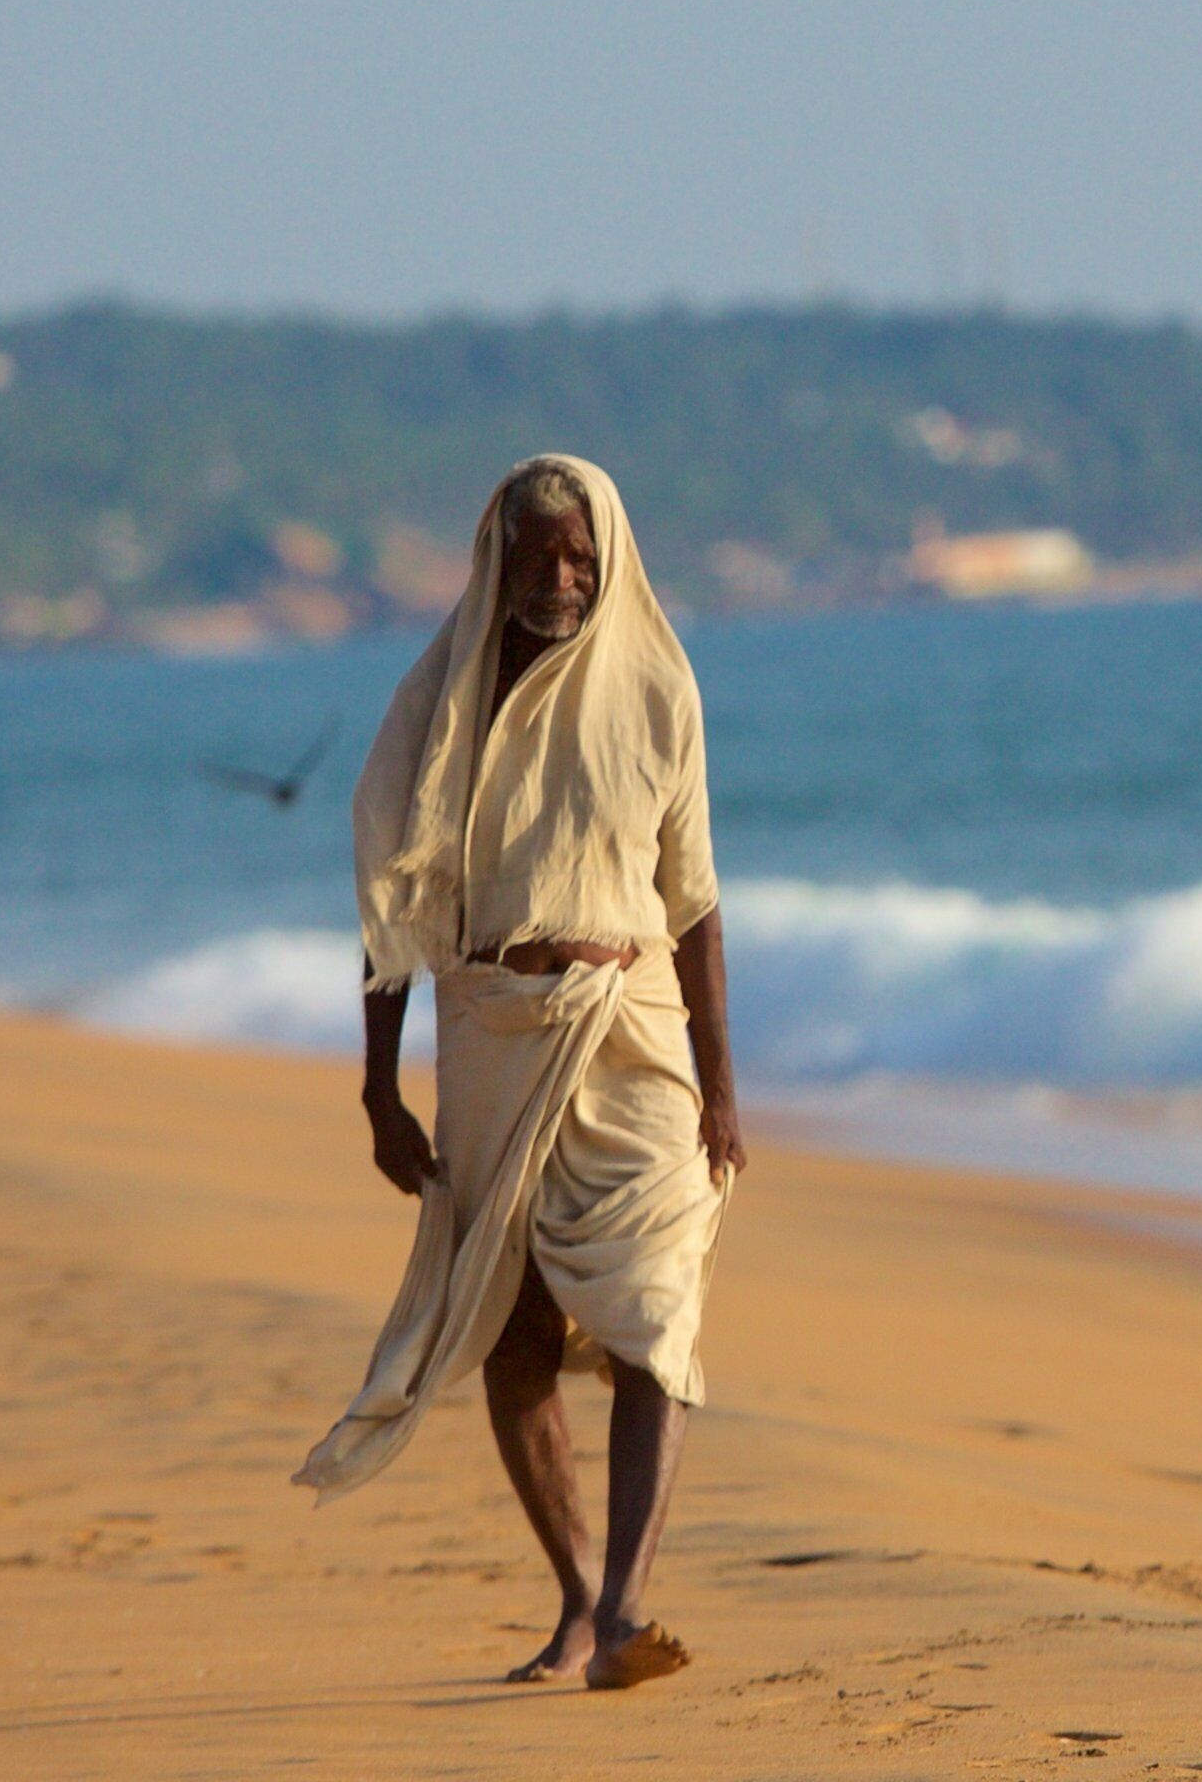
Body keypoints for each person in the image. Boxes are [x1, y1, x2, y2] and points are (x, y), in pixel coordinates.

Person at [294, 454, 747, 1692]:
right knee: (515, 1331)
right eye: (537, 553)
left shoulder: (657, 683)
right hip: (492, 1031)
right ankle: (577, 1600)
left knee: (657, 1312)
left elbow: (695, 902)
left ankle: (628, 1611)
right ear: (495, 558)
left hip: (632, 1029)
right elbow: (394, 908)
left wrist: (720, 1081)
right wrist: (377, 1088)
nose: (558, 576)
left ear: (611, 561)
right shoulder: (440, 696)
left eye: (579, 556)